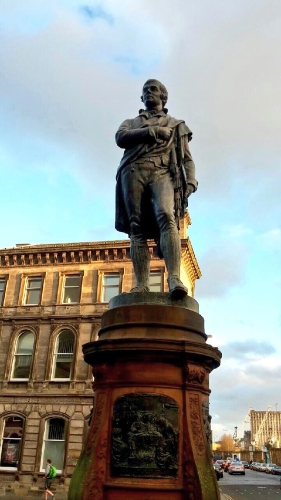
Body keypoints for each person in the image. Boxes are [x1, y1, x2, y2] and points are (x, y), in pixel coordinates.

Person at [115, 79, 198, 299]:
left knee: (166, 214)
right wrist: (152, 131)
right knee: (137, 226)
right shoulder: (131, 123)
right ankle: (141, 284)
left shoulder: (175, 124)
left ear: (163, 97)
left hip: (162, 172)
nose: (149, 92)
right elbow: (121, 138)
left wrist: (191, 180)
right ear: (141, 98)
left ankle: (174, 278)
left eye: (154, 89)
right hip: (133, 171)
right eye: (145, 91)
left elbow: (187, 159)